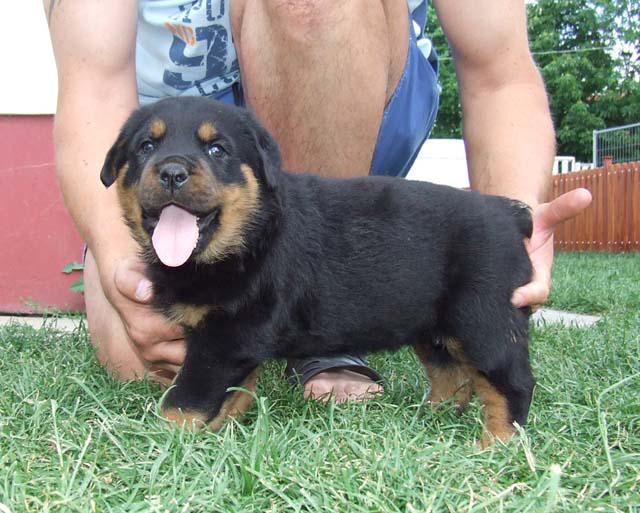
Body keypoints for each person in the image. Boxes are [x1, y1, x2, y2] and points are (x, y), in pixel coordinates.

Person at [45, 0, 591, 403]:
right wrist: (121, 259)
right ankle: (237, 350)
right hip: (165, 152)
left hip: (347, 103)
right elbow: (91, 87)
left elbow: (499, 73)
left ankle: (322, 324)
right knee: (144, 355)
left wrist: (503, 230)